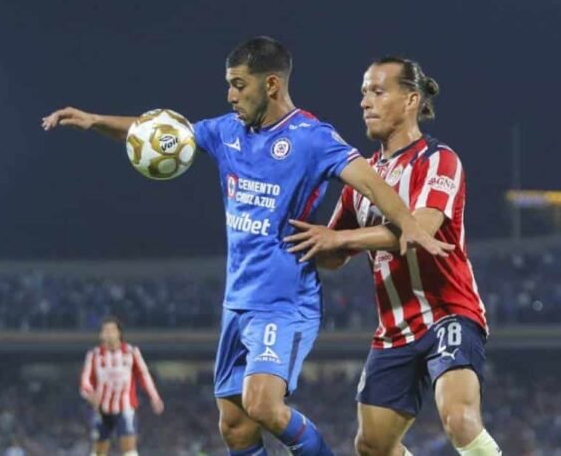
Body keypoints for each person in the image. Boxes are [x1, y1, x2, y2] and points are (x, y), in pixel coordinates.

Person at [43, 37, 451, 455]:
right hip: (237, 303)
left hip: (285, 302)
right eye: (229, 84)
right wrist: (95, 121)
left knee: (262, 404)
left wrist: (408, 225)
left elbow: (371, 181)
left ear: (271, 85)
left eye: (239, 85)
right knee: (235, 427)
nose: (230, 95)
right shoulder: (226, 131)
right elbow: (159, 136)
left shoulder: (312, 138)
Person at [285, 57, 501, 455]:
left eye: (378, 91)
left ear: (411, 100)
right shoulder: (362, 179)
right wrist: (292, 233)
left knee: (459, 420)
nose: (365, 102)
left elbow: (419, 230)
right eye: (364, 93)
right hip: (394, 329)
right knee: (373, 445)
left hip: (448, 312)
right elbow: (333, 254)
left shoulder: (438, 160)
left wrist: (338, 238)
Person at [80, 316, 164, 456]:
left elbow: (144, 375)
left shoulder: (131, 352)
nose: (108, 334)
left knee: (129, 450)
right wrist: (89, 394)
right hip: (102, 409)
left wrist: (154, 397)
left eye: (111, 330)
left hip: (125, 408)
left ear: (119, 333)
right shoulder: (94, 355)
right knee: (98, 452)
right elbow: (85, 381)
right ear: (101, 335)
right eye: (105, 331)